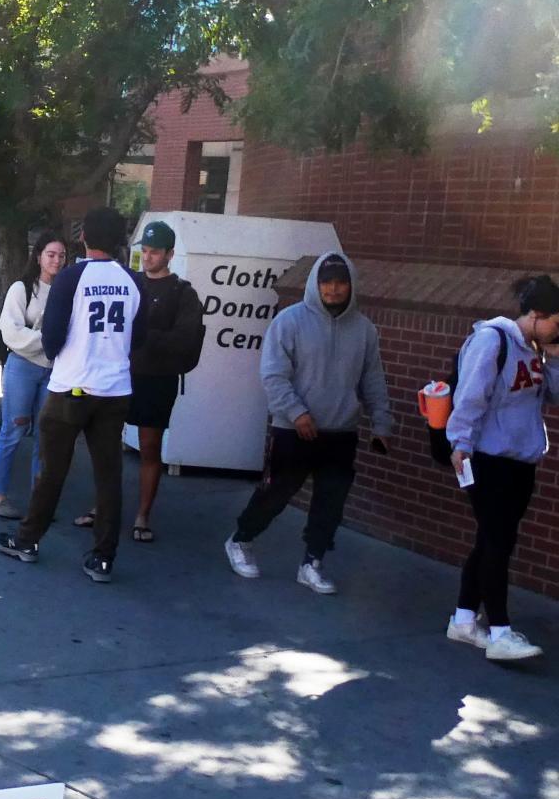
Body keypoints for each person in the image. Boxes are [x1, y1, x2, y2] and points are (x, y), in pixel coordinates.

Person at [224, 252, 393, 593]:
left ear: (351, 286)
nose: (333, 289)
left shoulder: (364, 330)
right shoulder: (289, 322)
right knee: (277, 492)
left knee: (331, 501)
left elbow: (373, 379)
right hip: (293, 429)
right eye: (326, 282)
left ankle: (312, 563)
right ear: (316, 284)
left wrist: (381, 423)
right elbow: (273, 375)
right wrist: (296, 412)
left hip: (340, 431)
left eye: (340, 282)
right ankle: (241, 539)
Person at [0, 205, 142, 583]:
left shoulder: (71, 278)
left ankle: (27, 540)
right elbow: (137, 338)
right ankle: (104, 557)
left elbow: (53, 338)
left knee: (51, 470)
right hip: (114, 389)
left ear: (84, 237)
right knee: (108, 475)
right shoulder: (132, 281)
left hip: (71, 386)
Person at [444, 274, 559, 663]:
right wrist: (460, 443)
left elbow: (555, 396)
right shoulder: (493, 340)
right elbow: (470, 395)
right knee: (497, 542)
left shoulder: (537, 349)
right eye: (557, 324)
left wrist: (554, 357)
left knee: (495, 540)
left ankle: (463, 619)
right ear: (537, 314)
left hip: (519, 461)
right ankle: (500, 631)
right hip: (486, 457)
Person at [114, 220, 205, 542]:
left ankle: (142, 515)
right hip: (120, 376)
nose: (149, 256)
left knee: (149, 449)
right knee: (106, 445)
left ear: (170, 254)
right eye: (146, 250)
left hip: (158, 380)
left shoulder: (183, 292)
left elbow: (184, 337)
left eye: (155, 252)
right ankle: (102, 508)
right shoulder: (129, 283)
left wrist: (141, 335)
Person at [0, 232, 68, 518]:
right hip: (22, 366)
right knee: (13, 430)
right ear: (39, 256)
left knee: (46, 437)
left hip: (53, 371)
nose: (56, 260)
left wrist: (50, 342)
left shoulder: (66, 291)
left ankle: (40, 501)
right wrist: (49, 340)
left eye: (61, 255)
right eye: (51, 254)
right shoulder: (21, 289)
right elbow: (11, 333)